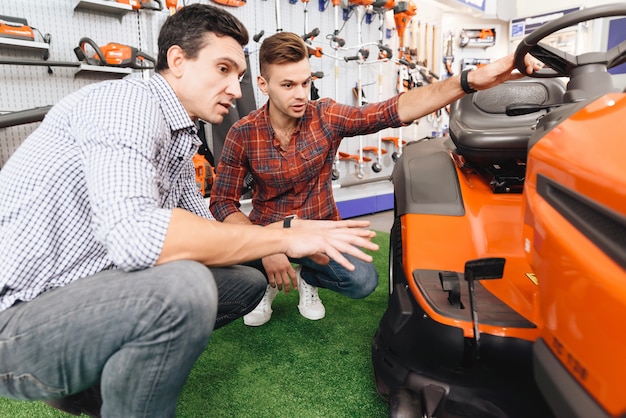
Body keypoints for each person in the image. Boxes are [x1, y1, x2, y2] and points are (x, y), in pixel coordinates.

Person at [0, 5, 379, 418]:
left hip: (82, 293)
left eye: (238, 75)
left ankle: (88, 385)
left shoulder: (178, 139)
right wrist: (283, 236)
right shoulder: (126, 103)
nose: (235, 88)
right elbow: (138, 237)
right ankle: (85, 381)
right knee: (182, 288)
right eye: (222, 69)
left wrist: (281, 232)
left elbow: (203, 226)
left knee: (244, 282)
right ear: (178, 61)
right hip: (16, 319)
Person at [209, 31, 542, 327]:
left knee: (363, 281)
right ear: (263, 85)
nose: (300, 94)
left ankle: (306, 278)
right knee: (235, 272)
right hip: (268, 228)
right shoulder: (243, 132)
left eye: (305, 82)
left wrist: (468, 81)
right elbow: (222, 202)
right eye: (288, 85)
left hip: (321, 230)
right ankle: (268, 278)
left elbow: (390, 111)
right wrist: (267, 246)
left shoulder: (324, 115)